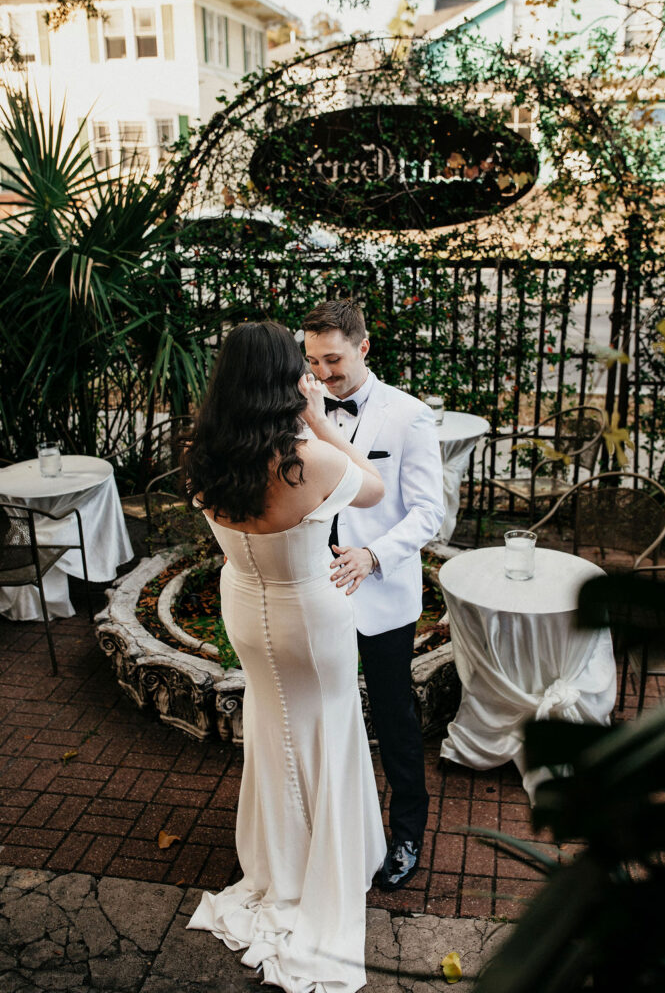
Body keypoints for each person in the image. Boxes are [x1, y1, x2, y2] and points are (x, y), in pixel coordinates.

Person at [183, 320, 387, 993]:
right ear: (284, 381)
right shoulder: (310, 458)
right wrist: (319, 420)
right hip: (308, 614)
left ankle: (282, 865)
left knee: (274, 728)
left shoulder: (203, 453)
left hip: (245, 603)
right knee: (328, 727)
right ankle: (327, 865)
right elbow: (373, 488)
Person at [302, 300, 444, 892]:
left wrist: (373, 554)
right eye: (313, 361)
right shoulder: (303, 408)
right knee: (323, 712)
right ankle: (330, 832)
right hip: (315, 590)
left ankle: (407, 832)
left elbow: (429, 513)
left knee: (393, 714)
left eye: (333, 360)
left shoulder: (408, 416)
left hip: (382, 593)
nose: (323, 373)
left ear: (363, 348)